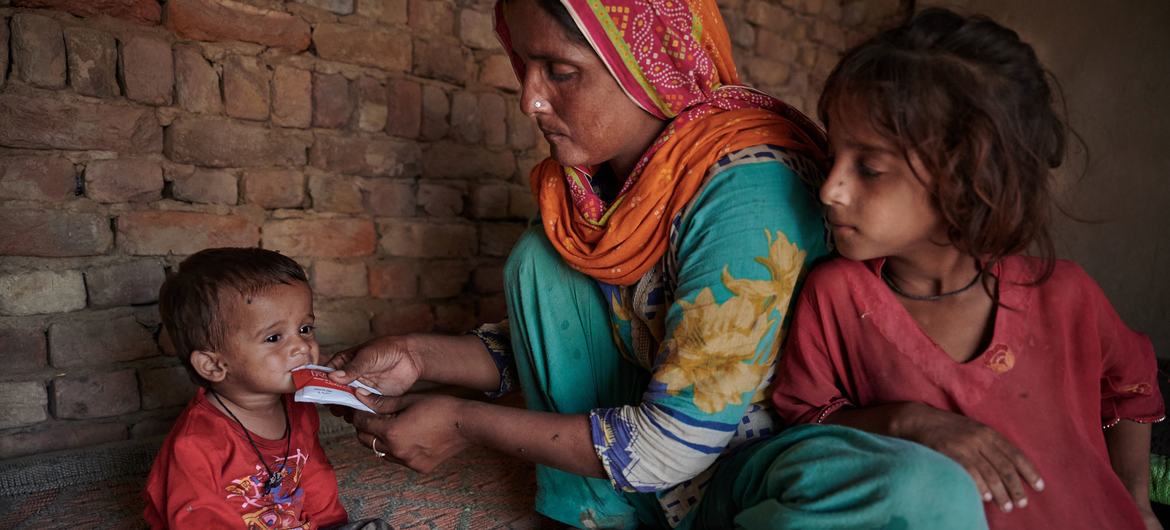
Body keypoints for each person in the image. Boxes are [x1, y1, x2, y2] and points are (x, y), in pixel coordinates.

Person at [327, 0, 984, 528]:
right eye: (523, 65)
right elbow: (589, 338)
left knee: (914, 491)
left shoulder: (746, 188)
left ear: (646, 63)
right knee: (541, 258)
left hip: (746, 465)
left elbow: (674, 442)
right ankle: (594, 513)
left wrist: (463, 421)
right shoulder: (593, 185)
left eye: (559, 70)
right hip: (637, 475)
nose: (530, 99)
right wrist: (420, 359)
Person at [770, 8, 1165, 530]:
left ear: (966, 181)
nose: (830, 189)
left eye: (868, 168)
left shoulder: (1065, 296)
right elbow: (806, 421)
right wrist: (909, 421)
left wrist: (1134, 503)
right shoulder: (837, 296)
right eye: (834, 155)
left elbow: (1133, 384)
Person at [143, 248, 377, 529]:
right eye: (274, 337)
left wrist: (330, 524)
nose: (302, 346)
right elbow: (197, 516)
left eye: (305, 329)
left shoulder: (298, 407)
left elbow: (313, 472)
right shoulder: (195, 443)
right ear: (214, 365)